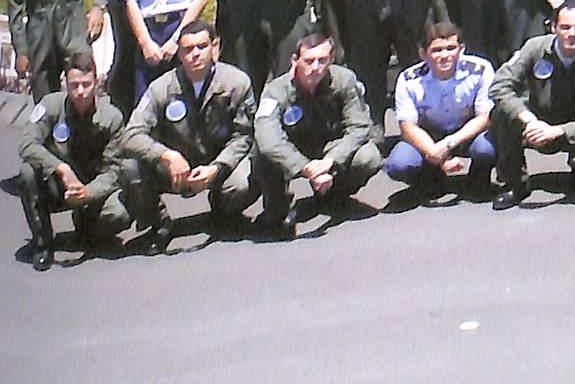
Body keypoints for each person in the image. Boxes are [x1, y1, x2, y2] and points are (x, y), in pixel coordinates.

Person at [119, 17, 256, 246]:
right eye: (188, 49)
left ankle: (224, 209)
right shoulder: (161, 88)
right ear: (179, 54)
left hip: (218, 162)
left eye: (202, 47)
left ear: (215, 46)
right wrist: (166, 156)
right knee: (129, 167)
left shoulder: (237, 82)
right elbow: (131, 135)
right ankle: (158, 221)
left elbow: (244, 136)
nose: (195, 54)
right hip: (174, 169)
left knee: (242, 183)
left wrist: (217, 167)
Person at [252, 31, 380, 238]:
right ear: (294, 60)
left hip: (329, 147)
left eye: (322, 60)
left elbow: (360, 126)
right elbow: (268, 140)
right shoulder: (275, 91)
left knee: (369, 157)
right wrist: (305, 167)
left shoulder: (345, 80)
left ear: (332, 58)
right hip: (293, 149)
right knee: (262, 154)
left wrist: (331, 161)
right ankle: (277, 207)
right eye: (309, 61)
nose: (315, 67)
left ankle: (333, 194)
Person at [494, 3, 575, 207]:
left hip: (574, 130)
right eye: (565, 27)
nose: (572, 34)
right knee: (501, 113)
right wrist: (529, 120)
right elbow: (500, 86)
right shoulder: (534, 48)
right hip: (535, 124)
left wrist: (558, 131)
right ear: (553, 27)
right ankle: (515, 183)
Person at [23, 57, 130, 259]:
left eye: (86, 84)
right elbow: (27, 144)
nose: (80, 91)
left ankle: (87, 228)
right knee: (27, 172)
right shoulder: (51, 105)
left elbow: (113, 171)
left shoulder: (112, 117)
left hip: (91, 186)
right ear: (65, 82)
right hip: (57, 185)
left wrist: (88, 192)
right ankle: (43, 242)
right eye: (74, 85)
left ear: (96, 82)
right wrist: (61, 169)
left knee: (120, 214)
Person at [383, 19, 497, 201]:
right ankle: (429, 178)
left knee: (487, 148)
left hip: (468, 133)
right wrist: (437, 154)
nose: (445, 55)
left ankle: (479, 178)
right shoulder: (408, 79)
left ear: (461, 49)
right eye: (436, 50)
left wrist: (449, 143)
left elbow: (485, 117)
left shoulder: (480, 70)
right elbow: (408, 127)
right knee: (399, 164)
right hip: (429, 135)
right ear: (423, 54)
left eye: (451, 48)